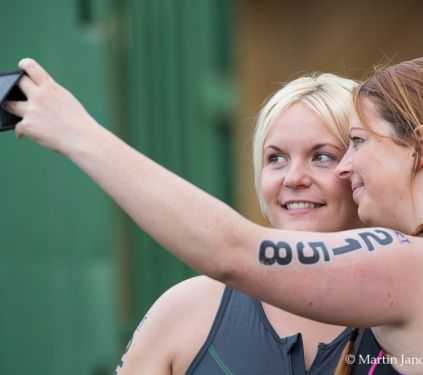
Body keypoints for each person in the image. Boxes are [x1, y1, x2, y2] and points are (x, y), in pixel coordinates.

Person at [6, 55, 423, 374]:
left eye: (345, 147)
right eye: (274, 157)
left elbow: (232, 251)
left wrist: (76, 131)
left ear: (419, 147)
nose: (347, 165)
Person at [114, 74, 363, 375]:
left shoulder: (410, 306)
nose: (294, 178)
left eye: (322, 157)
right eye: (276, 158)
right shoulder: (186, 311)